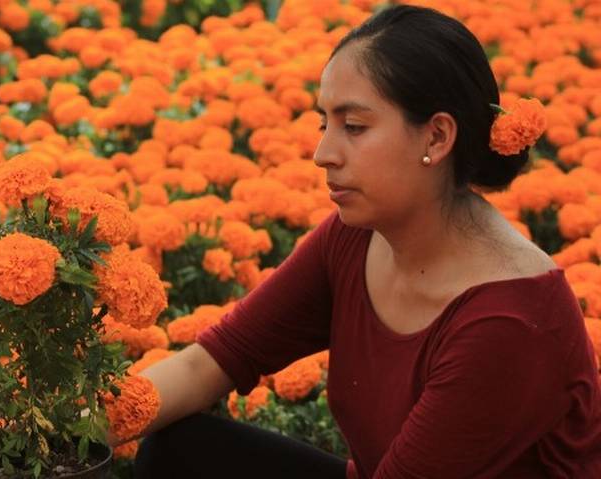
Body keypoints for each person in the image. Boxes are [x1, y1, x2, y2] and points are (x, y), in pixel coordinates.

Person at [123, 5, 601, 478]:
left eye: (353, 127)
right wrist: (62, 428)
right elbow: (210, 363)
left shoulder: (509, 321)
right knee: (179, 450)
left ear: (436, 138)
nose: (322, 154)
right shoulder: (355, 238)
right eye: (323, 124)